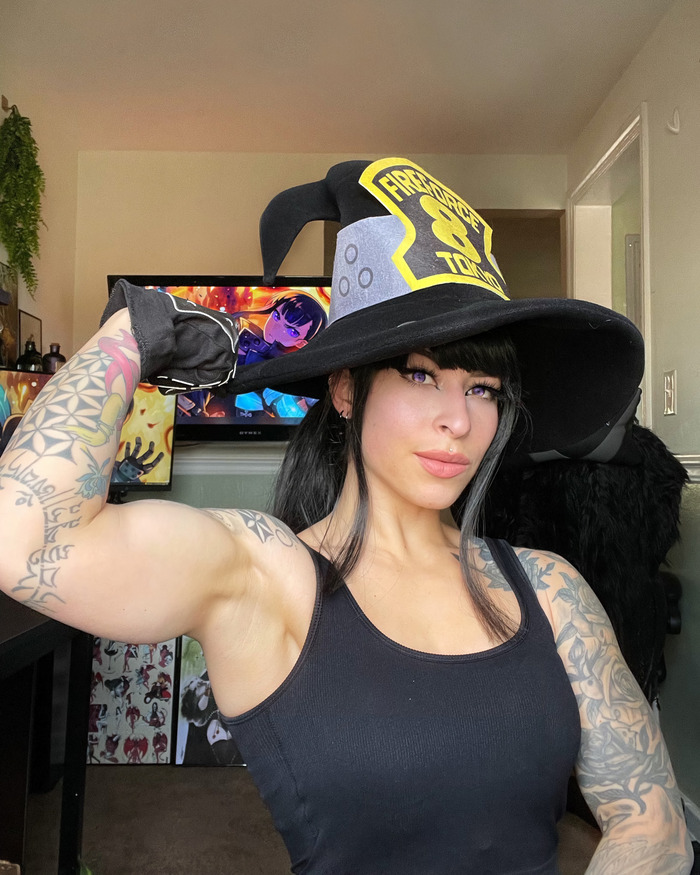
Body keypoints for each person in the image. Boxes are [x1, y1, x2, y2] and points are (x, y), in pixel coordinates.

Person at [0, 157, 692, 874]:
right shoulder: (268, 579)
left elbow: (653, 824)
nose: (458, 420)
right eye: (420, 374)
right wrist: (132, 333)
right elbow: (24, 540)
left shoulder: (551, 592)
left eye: (483, 388)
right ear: (345, 391)